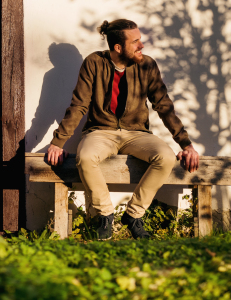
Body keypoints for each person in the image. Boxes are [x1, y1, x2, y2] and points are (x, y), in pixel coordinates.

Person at [46, 19, 199, 240]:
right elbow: (79, 105)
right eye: (135, 41)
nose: (141, 46)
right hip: (100, 131)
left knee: (165, 157)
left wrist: (186, 144)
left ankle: (133, 215)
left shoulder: (147, 65)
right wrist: (58, 142)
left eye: (140, 40)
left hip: (137, 133)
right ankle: (105, 215)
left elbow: (163, 106)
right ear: (118, 47)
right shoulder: (93, 63)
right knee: (86, 157)